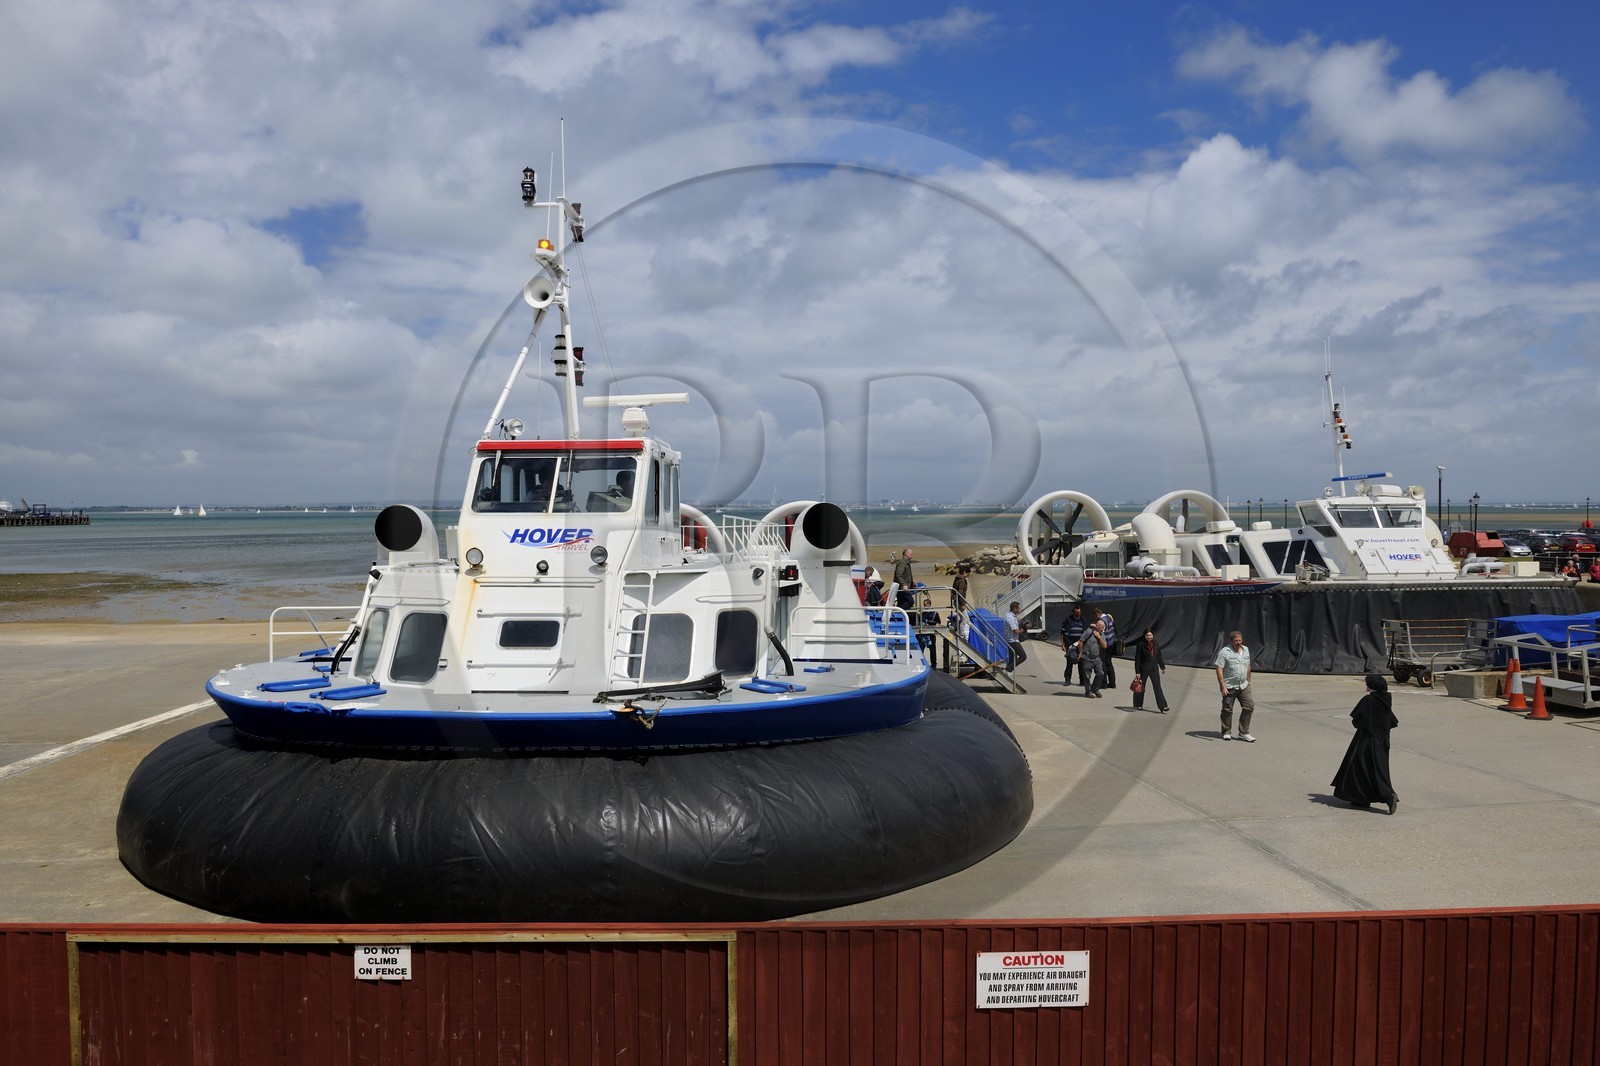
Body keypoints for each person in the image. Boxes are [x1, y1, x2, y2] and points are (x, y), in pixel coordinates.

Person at [1331, 674, 1400, 814]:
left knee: (1361, 767)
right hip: (1382, 742)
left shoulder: (1368, 700)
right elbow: (1392, 721)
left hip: (1366, 740)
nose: (1366, 686)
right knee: (1378, 769)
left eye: (1367, 683)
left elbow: (1357, 720)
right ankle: (1361, 799)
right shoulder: (1385, 699)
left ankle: (1388, 795)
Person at [1214, 630, 1255, 741]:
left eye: (1240, 640)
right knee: (1227, 709)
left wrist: (1249, 681)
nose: (1238, 643)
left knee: (1249, 706)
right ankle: (1226, 731)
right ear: (1231, 641)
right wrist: (1222, 686)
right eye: (1236, 641)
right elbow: (1219, 669)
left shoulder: (1246, 650)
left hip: (1244, 685)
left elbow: (1248, 666)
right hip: (1229, 686)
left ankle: (1243, 732)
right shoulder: (1225, 651)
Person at [1131, 627, 1170, 713]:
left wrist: (1162, 667)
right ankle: (1138, 704)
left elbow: (1159, 655)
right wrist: (1137, 672)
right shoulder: (1140, 644)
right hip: (1143, 669)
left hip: (1154, 668)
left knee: (1157, 686)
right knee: (1140, 687)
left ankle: (1163, 706)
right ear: (1144, 636)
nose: (1149, 637)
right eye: (1147, 635)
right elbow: (1138, 658)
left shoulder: (1156, 643)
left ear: (1153, 635)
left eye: (1150, 635)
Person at [1078, 618, 1108, 697]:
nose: (1102, 629)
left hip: (1097, 658)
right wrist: (1080, 653)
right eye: (1101, 627)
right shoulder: (1089, 632)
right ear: (1096, 626)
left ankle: (1095, 689)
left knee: (1101, 673)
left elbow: (1104, 646)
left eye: (1103, 627)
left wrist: (1099, 637)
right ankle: (1088, 691)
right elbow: (1080, 641)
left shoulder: (1102, 635)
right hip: (1087, 658)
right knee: (1087, 676)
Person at [1059, 604, 1088, 686]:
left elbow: (1087, 633)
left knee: (1081, 664)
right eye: (1077, 612)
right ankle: (1067, 680)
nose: (1079, 614)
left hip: (1081, 645)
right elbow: (1062, 633)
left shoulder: (1083, 620)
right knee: (1069, 663)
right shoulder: (1068, 620)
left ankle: (1082, 681)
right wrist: (1063, 644)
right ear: (1073, 612)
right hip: (1070, 645)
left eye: (1080, 612)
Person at [1096, 608, 1118, 687]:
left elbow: (1101, 632)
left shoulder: (1102, 621)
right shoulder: (1109, 617)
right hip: (1111, 642)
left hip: (1105, 644)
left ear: (1097, 614)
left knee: (1103, 663)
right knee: (1109, 662)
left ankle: (1104, 683)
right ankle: (1112, 682)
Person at [1004, 600, 1027, 670]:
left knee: (1013, 657)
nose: (1019, 610)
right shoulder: (1011, 618)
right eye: (1018, 608)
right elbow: (1016, 632)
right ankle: (1009, 669)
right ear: (1014, 609)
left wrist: (1022, 624)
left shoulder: (1008, 615)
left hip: (1009, 639)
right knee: (1023, 656)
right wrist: (1022, 630)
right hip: (1013, 640)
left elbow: (1013, 627)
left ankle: (1008, 671)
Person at [892, 549, 916, 615]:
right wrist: (904, 584)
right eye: (911, 554)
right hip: (902, 588)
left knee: (901, 603)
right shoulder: (902, 563)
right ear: (906, 554)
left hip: (905, 587)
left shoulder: (906, 563)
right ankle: (898, 613)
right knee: (910, 601)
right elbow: (898, 575)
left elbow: (908, 576)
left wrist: (913, 584)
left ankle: (898, 615)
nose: (912, 555)